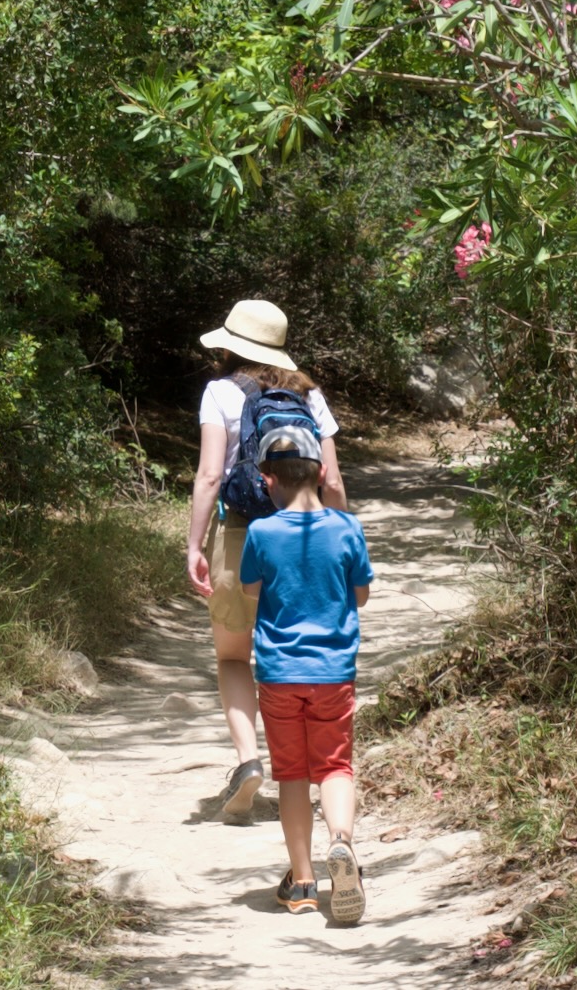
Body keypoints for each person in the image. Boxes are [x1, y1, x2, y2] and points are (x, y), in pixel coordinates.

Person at [187, 299, 349, 819]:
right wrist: (342, 539)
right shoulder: (309, 394)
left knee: (234, 657)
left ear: (230, 344)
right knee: (297, 659)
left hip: (240, 534)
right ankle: (316, 774)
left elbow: (211, 475)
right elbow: (333, 481)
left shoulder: (220, 392)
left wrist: (194, 544)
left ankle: (249, 761)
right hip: (305, 542)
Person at [238, 422, 372, 924]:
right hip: (333, 673)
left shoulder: (261, 532)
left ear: (268, 479)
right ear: (319, 473)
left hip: (278, 675)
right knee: (335, 766)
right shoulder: (347, 528)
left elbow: (251, 591)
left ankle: (303, 883)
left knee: (292, 775)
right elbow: (360, 594)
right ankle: (342, 845)